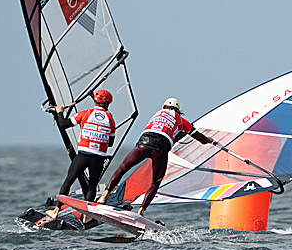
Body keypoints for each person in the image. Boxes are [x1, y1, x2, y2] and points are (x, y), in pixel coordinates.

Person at [97, 98, 215, 216]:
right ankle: (141, 210)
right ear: (178, 110)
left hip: (143, 142)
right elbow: (201, 139)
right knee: (155, 182)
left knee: (122, 168)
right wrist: (209, 140)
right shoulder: (181, 120)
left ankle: (104, 196)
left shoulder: (157, 114)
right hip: (160, 148)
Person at [45, 89, 116, 222]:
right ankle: (86, 216)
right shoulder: (110, 120)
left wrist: (60, 112)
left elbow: (63, 124)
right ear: (107, 104)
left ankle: (55, 211)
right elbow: (111, 142)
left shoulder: (85, 113)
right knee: (92, 186)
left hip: (83, 156)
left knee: (69, 181)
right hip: (98, 158)